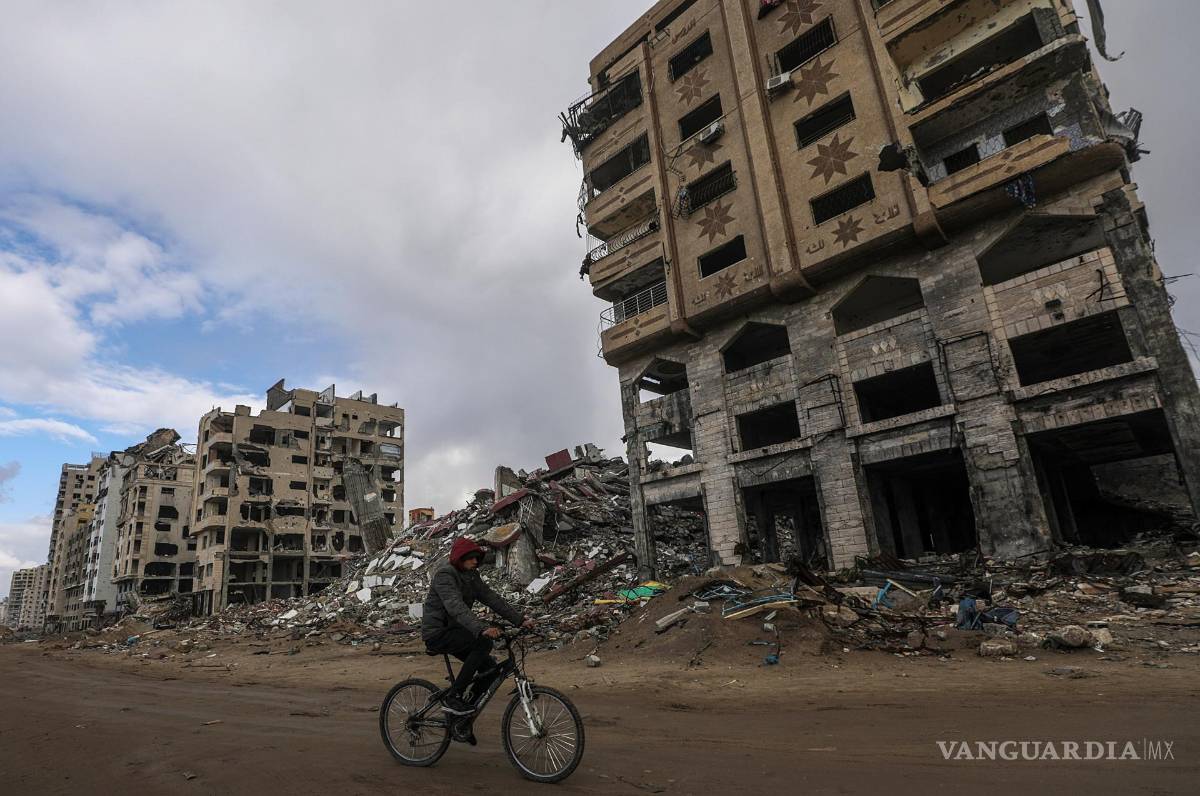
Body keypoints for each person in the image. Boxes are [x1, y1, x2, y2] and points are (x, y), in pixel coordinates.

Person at [422, 536, 533, 716]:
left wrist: (520, 620)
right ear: (460, 557)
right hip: (438, 633)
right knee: (483, 643)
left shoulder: (472, 576)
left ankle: (464, 715)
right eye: (471, 557)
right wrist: (481, 628)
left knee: (490, 669)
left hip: (456, 631)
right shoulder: (445, 575)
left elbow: (491, 598)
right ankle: (453, 697)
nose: (475, 561)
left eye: (477, 558)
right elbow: (455, 606)